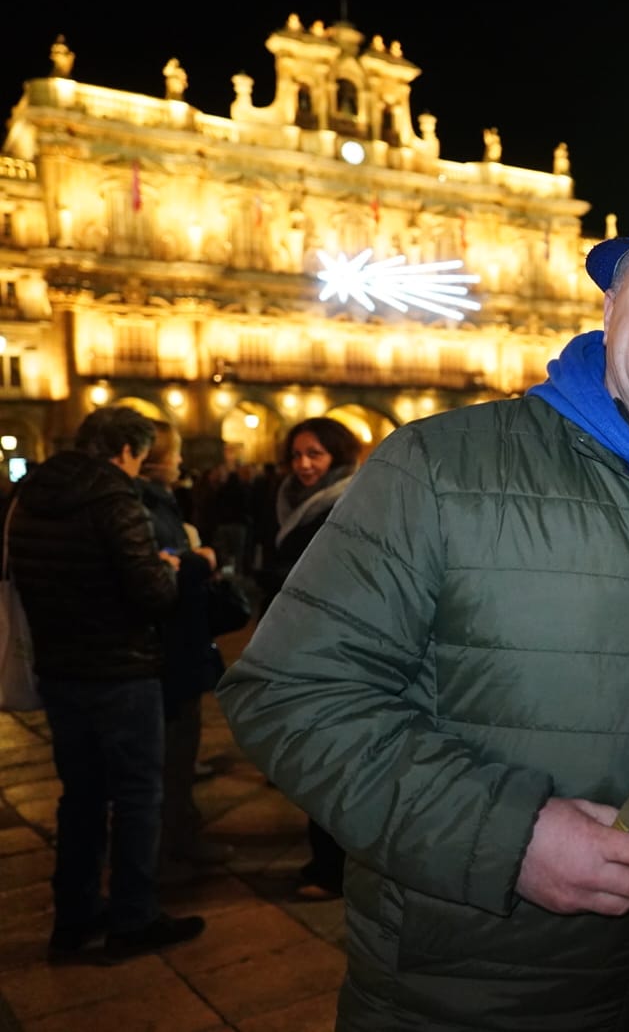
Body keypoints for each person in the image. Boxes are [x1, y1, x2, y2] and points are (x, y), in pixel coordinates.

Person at [218, 170, 629, 1031]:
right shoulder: (439, 470)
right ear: (608, 306)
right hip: (461, 1000)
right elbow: (289, 691)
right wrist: (506, 835)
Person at [8, 406, 207, 962]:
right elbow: (151, 593)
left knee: (81, 797)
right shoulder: (115, 499)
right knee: (138, 796)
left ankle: (73, 917)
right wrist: (175, 568)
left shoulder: (31, 495)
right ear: (127, 450)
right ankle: (133, 916)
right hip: (122, 669)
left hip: (59, 668)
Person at [253, 415, 365, 900]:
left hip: (334, 643)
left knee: (328, 754)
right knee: (305, 750)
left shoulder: (351, 499)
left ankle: (332, 867)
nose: (303, 464)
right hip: (289, 636)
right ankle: (326, 858)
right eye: (297, 455)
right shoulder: (282, 499)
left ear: (336, 456)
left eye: (315, 454)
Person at [137, 420, 235, 873]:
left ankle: (174, 835)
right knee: (172, 753)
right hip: (172, 647)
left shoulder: (155, 501)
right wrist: (200, 560)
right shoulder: (148, 505)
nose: (180, 461)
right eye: (175, 452)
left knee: (174, 753)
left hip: (171, 646)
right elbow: (160, 575)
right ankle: (171, 843)